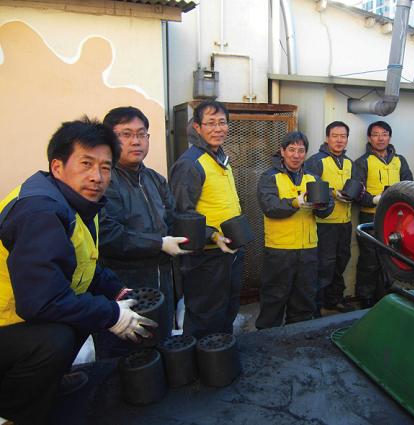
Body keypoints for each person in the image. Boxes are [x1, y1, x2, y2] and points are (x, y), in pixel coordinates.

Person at [0, 118, 156, 425]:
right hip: (8, 323)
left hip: (19, 321)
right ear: (57, 167)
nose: (96, 177)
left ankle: (48, 382)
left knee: (85, 312)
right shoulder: (40, 212)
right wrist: (111, 314)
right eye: (86, 163)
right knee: (56, 337)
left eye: (105, 167)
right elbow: (39, 302)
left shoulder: (80, 204)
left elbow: (84, 263)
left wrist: (116, 291)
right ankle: (13, 412)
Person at [96, 106, 187, 358]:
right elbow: (107, 234)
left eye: (142, 134)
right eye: (125, 134)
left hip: (161, 283)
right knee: (124, 359)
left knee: (161, 350)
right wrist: (158, 243)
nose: (135, 141)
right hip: (124, 286)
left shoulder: (155, 179)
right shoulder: (104, 179)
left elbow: (174, 219)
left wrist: (210, 234)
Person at [170, 100, 244, 339]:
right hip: (206, 256)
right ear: (197, 127)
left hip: (229, 251)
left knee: (228, 310)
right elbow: (181, 213)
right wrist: (211, 234)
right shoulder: (190, 163)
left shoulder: (220, 158)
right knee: (205, 316)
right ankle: (200, 368)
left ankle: (221, 358)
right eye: (210, 123)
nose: (217, 128)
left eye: (222, 122)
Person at [256, 131, 334, 329]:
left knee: (304, 299)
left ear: (306, 154)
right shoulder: (269, 177)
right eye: (291, 150)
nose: (296, 155)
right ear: (282, 151)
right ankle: (267, 340)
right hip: (280, 250)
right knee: (274, 298)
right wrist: (295, 202)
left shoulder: (313, 177)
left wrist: (324, 206)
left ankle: (297, 341)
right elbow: (270, 206)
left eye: (301, 150)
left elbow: (328, 207)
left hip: (308, 249)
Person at [353, 121, 413, 308]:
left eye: (384, 134)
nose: (380, 138)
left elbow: (409, 185)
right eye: (376, 134)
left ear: (389, 137)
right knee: (369, 260)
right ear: (370, 138)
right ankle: (366, 298)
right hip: (370, 218)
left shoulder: (400, 160)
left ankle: (388, 296)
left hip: (396, 219)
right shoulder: (362, 162)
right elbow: (356, 191)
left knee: (393, 258)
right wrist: (373, 200)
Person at [304, 121, 355, 314]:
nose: (339, 140)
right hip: (324, 224)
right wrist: (333, 193)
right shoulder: (316, 161)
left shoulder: (349, 162)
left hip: (345, 222)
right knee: (323, 265)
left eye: (343, 136)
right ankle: (315, 306)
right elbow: (310, 186)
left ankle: (334, 300)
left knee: (341, 261)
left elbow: (355, 184)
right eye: (335, 136)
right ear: (327, 138)